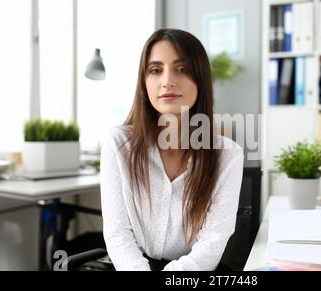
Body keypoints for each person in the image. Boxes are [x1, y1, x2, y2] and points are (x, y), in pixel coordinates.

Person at [100, 28, 244, 271]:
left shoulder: (227, 155)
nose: (167, 81)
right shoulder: (118, 143)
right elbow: (118, 233)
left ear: (200, 79)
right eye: (155, 70)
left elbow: (214, 240)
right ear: (144, 81)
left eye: (182, 69)